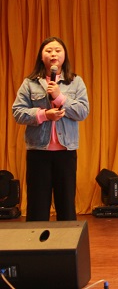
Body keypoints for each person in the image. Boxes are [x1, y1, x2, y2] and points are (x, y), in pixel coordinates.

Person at [12, 36, 89, 221]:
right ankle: (36, 241)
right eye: (48, 50)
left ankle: (67, 241)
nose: (53, 54)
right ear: (41, 56)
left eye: (57, 50)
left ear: (64, 55)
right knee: (37, 207)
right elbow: (18, 112)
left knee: (66, 205)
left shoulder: (75, 81)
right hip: (38, 152)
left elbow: (83, 111)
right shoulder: (30, 83)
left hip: (66, 152)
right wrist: (44, 115)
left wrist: (60, 97)